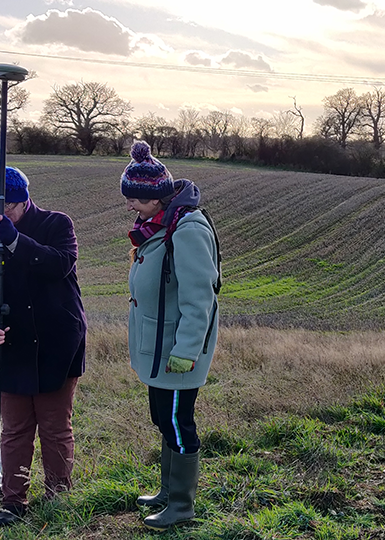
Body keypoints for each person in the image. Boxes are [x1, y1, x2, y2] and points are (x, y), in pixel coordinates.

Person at [0, 165, 86, 525]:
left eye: (11, 206)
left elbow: (59, 265)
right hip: (11, 347)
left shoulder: (57, 224)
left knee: (54, 426)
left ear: (25, 197)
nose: (2, 214)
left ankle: (58, 497)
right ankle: (14, 501)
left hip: (56, 345)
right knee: (14, 429)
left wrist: (16, 241)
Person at [121, 141, 219, 531]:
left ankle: (181, 505)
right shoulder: (162, 223)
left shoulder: (187, 228)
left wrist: (187, 350)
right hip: (157, 347)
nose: (130, 206)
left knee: (179, 423)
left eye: (135, 200)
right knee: (162, 419)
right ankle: (166, 491)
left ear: (156, 196)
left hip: (177, 349)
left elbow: (201, 297)